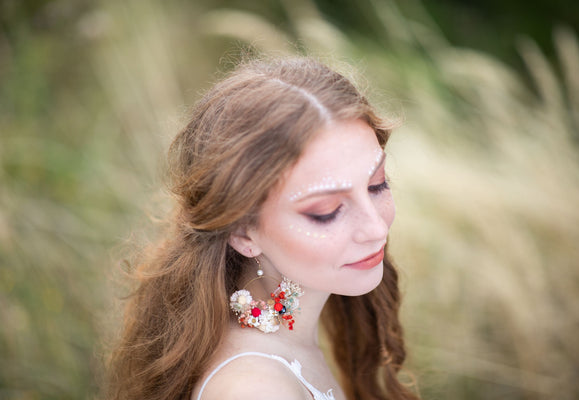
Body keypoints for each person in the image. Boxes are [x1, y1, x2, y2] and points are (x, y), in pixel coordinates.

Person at [106, 57, 419, 400]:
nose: (375, 228)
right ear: (242, 231)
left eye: (376, 185)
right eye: (326, 212)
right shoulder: (254, 390)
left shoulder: (315, 329)